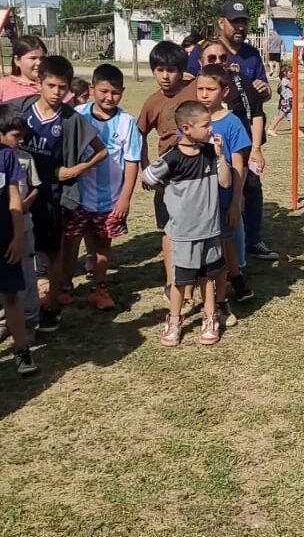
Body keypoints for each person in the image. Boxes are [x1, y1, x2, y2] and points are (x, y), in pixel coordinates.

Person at [11, 55, 108, 331]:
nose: (56, 92)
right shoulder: (22, 110)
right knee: (16, 250)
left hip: (50, 196)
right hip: (17, 194)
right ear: (39, 83)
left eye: (62, 87)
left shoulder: (70, 119)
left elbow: (102, 151)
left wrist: (75, 170)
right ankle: (17, 306)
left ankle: (52, 306)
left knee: (52, 253)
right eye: (51, 86)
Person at [143, 101, 230, 346]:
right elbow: (147, 176)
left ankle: (210, 317)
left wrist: (221, 156)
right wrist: (168, 192)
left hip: (210, 229)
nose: (211, 129)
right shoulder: (172, 158)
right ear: (186, 129)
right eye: (205, 125)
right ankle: (174, 320)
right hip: (183, 232)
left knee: (208, 277)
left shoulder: (211, 153)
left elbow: (225, 183)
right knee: (180, 281)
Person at [61, 64, 142, 309]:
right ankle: (64, 287)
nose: (109, 97)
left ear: (122, 92)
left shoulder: (127, 122)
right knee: (70, 241)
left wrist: (125, 199)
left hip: (110, 199)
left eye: (115, 92)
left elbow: (132, 162)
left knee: (102, 244)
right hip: (77, 196)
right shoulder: (77, 115)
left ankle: (100, 288)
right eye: (104, 91)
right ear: (92, 89)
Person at [199, 39, 278, 262]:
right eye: (211, 58)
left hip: (240, 150)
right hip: (206, 159)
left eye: (223, 57)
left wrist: (256, 149)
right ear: (201, 61)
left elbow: (257, 114)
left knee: (249, 190)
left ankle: (250, 242)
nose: (218, 61)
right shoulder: (195, 88)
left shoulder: (241, 81)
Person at [137, 41, 198, 291]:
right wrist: (145, 168)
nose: (165, 76)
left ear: (182, 71)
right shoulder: (153, 102)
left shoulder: (196, 89)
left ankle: (198, 277)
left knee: (197, 227)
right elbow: (139, 135)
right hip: (168, 175)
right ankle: (172, 281)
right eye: (159, 70)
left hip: (197, 172)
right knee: (169, 229)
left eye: (171, 70)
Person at [195, 66, 254, 307]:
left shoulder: (232, 123)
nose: (204, 94)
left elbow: (239, 165)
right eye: (200, 88)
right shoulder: (192, 119)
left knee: (225, 239)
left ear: (225, 91)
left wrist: (236, 201)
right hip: (199, 196)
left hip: (223, 195)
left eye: (210, 89)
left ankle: (235, 278)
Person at [0, 107, 41, 338]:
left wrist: (25, 204)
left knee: (26, 276)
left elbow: (35, 187)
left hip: (22, 227)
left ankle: (30, 320)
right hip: (3, 229)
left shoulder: (24, 158)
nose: (20, 141)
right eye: (16, 136)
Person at [0, 144, 37, 373]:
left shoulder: (5, 156)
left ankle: (22, 349)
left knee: (11, 296)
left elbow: (14, 198)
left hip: (4, 239)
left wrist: (17, 236)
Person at [187, 2, 271, 97]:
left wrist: (264, 90)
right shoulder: (203, 48)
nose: (241, 27)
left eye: (243, 22)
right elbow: (187, 84)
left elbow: (266, 89)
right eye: (235, 21)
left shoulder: (252, 53)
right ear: (221, 23)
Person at [0, 35, 47, 102]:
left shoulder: (54, 85)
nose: (39, 63)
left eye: (42, 58)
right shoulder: (3, 86)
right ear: (17, 60)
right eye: (33, 58)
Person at [268, 67, 302, 137]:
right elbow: (294, 87)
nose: (292, 73)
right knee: (281, 116)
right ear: (285, 73)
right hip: (286, 101)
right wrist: (294, 79)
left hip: (288, 100)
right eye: (290, 72)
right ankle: (271, 129)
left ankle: (296, 131)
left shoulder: (286, 80)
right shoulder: (285, 81)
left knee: (289, 116)